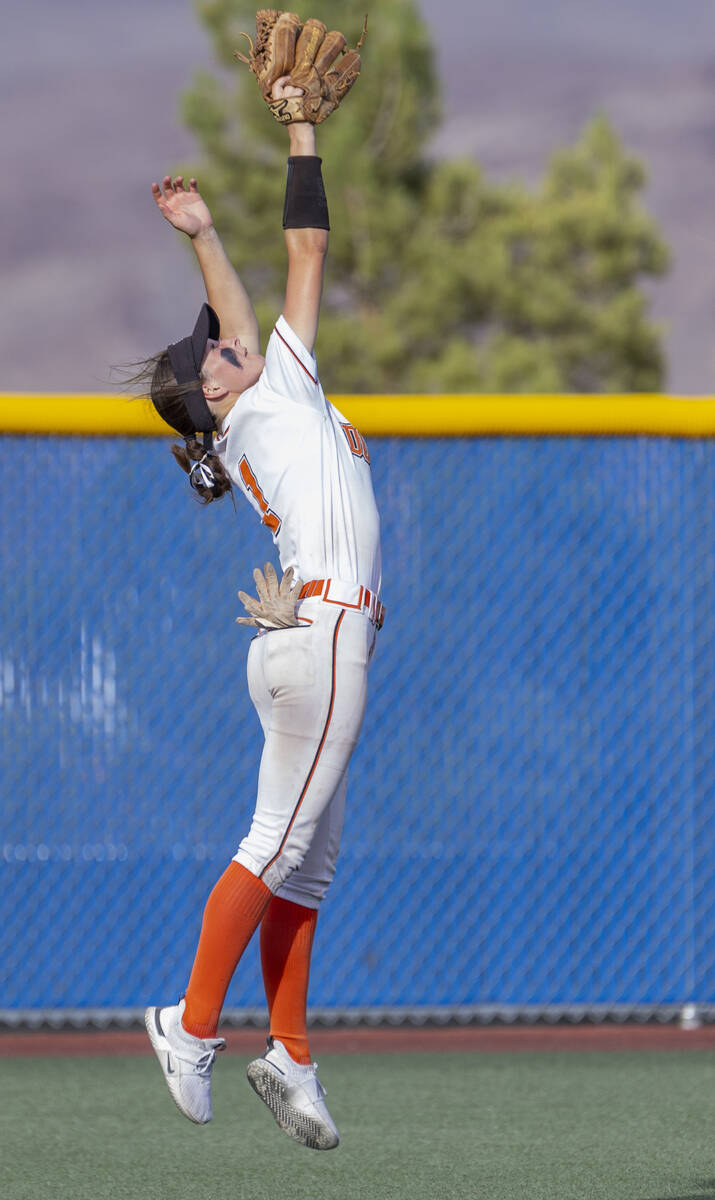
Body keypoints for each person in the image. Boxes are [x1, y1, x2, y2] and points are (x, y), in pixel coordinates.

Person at [139, 76, 383, 1152]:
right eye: (219, 346)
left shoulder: (260, 397)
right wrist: (300, 130)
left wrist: (198, 235)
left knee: (308, 862)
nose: (232, 336)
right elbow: (307, 254)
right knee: (276, 845)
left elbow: (241, 311)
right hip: (321, 634)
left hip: (318, 634)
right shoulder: (267, 393)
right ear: (220, 387)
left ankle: (289, 1054)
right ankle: (188, 1027)